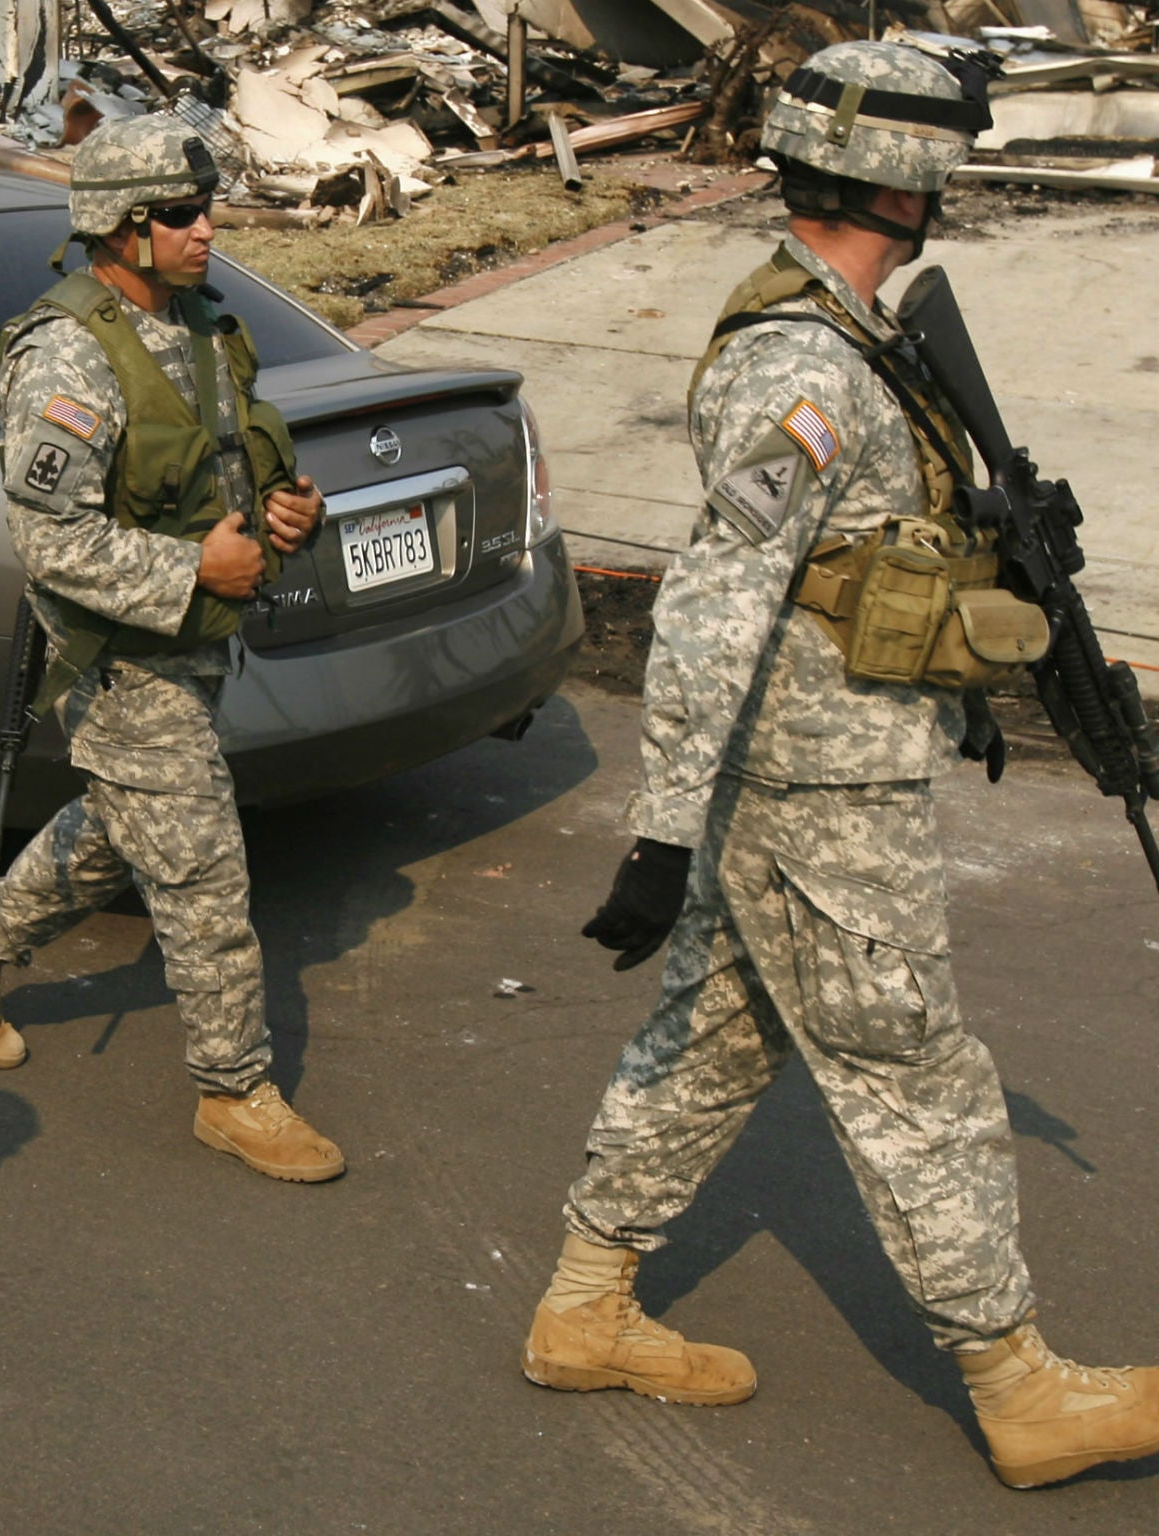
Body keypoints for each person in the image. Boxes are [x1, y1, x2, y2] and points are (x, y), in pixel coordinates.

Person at [519, 37, 1159, 1489]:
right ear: (910, 177)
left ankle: (583, 1307)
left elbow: (873, 567)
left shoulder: (861, 341)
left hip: (822, 769)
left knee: (720, 1039)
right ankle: (1018, 1385)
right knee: (919, 1075)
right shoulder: (802, 371)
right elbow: (718, 596)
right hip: (815, 793)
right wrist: (663, 832)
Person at [0, 114, 343, 1183]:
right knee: (200, 870)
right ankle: (233, 1090)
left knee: (119, 824)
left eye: (206, 207)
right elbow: (49, 540)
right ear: (121, 228)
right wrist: (193, 571)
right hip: (117, 652)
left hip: (192, 639)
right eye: (182, 215)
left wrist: (284, 515)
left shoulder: (198, 325)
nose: (208, 228)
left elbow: (221, 463)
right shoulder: (66, 355)